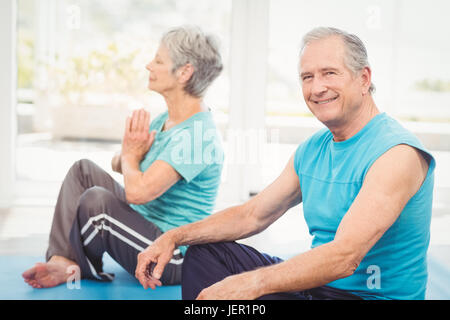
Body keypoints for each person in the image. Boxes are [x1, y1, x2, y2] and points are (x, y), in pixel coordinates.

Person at [135, 27, 435, 300]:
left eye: (330, 73)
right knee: (206, 253)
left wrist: (250, 285)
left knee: (255, 294)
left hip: (366, 298)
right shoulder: (313, 149)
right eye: (308, 77)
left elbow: (345, 256)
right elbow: (252, 215)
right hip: (319, 289)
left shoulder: (396, 153)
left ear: (364, 79)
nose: (317, 88)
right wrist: (174, 237)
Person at [22, 25, 224, 288]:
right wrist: (129, 155)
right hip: (143, 231)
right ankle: (63, 260)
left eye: (159, 60)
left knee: (98, 204)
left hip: (171, 257)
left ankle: (73, 265)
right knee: (83, 171)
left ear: (185, 72)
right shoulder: (166, 120)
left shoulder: (197, 135)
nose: (148, 66)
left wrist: (130, 156)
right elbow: (119, 163)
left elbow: (138, 192)